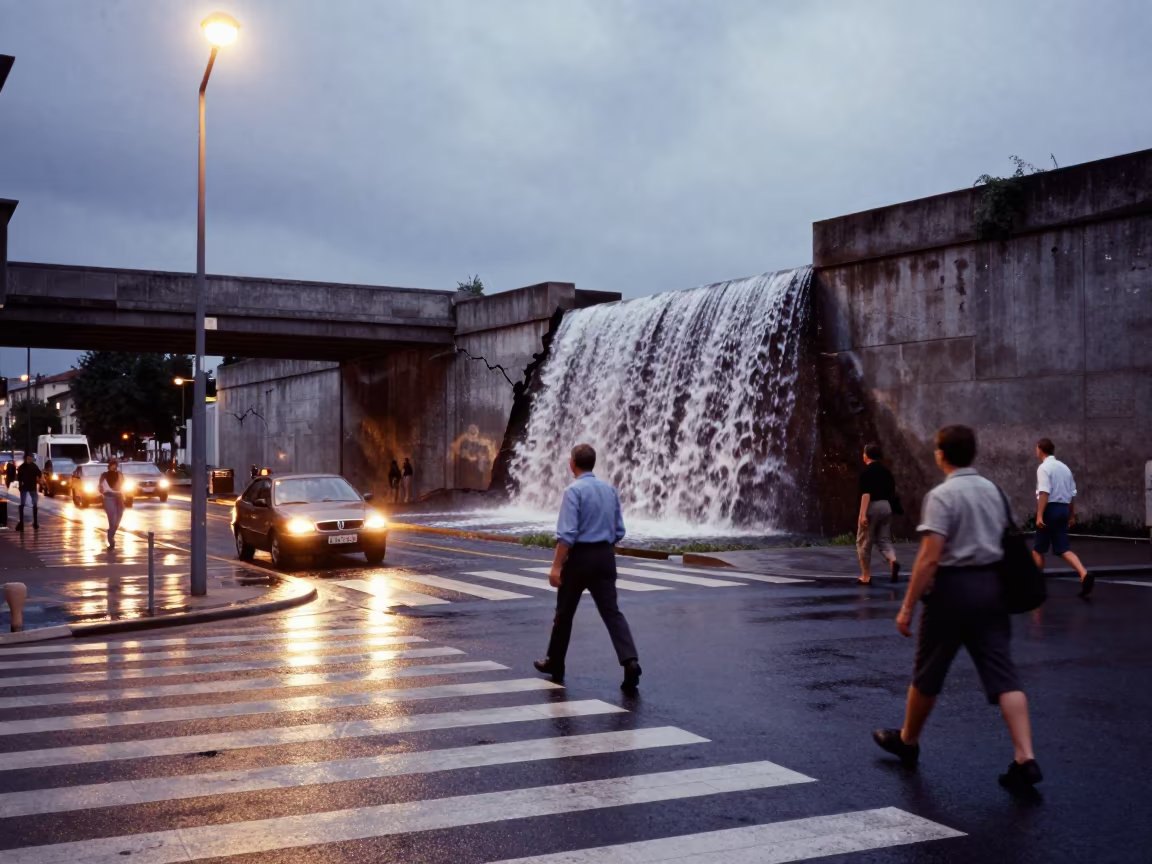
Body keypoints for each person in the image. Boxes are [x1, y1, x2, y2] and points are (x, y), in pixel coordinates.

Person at [872, 424, 1042, 789]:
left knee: (928, 672)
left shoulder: (942, 496)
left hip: (951, 591)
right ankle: (1025, 757)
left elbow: (929, 557)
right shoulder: (994, 491)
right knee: (1004, 675)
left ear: (941, 454)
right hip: (991, 588)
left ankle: (908, 741)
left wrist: (906, 607)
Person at [533, 443, 642, 692]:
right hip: (605, 556)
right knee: (612, 613)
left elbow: (567, 534)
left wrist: (556, 567)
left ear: (572, 464)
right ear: (593, 463)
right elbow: (620, 531)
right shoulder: (609, 490)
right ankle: (630, 661)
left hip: (580, 557)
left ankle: (555, 662)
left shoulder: (573, 491)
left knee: (564, 613)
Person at [1032, 438, 1092, 598]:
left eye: (1036, 449)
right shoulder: (1065, 468)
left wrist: (1039, 515)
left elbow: (1044, 492)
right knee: (1063, 548)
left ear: (1040, 449)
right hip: (1063, 509)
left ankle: (1037, 584)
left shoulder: (1043, 468)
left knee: (1038, 549)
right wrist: (1071, 515)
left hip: (1049, 509)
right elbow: (1072, 494)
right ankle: (1084, 574)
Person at [857, 443, 900, 584]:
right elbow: (892, 492)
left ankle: (866, 576)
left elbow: (866, 494)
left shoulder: (866, 472)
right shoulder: (887, 472)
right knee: (884, 539)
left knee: (864, 542)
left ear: (866, 455)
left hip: (872, 506)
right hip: (886, 506)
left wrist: (862, 513)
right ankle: (893, 561)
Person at [100, 458, 126, 549]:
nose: (114, 467)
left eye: (115, 465)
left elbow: (124, 484)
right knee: (112, 520)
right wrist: (102, 493)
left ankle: (111, 534)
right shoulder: (104, 475)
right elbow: (100, 487)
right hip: (109, 498)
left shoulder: (119, 474)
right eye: (112, 465)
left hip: (119, 498)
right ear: (109, 466)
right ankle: (111, 540)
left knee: (118, 520)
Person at [15, 453, 41, 532]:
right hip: (29, 487)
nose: (29, 460)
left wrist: (20, 485)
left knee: (25, 504)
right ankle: (34, 523)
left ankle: (23, 523)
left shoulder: (23, 467)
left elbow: (19, 477)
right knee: (32, 504)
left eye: (29, 459)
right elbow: (39, 474)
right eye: (28, 459)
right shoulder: (33, 466)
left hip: (27, 487)